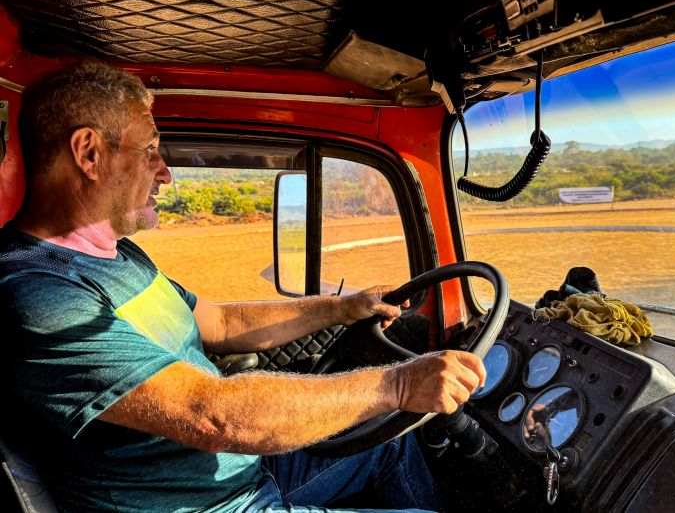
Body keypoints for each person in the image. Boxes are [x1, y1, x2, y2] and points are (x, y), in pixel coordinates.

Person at [0, 62, 486, 512]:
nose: (164, 171)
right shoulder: (41, 295)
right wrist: (400, 384)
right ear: (88, 153)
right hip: (211, 506)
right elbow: (213, 416)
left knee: (387, 441)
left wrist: (343, 307)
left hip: (241, 475)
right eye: (149, 151)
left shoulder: (116, 255)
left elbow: (221, 321)